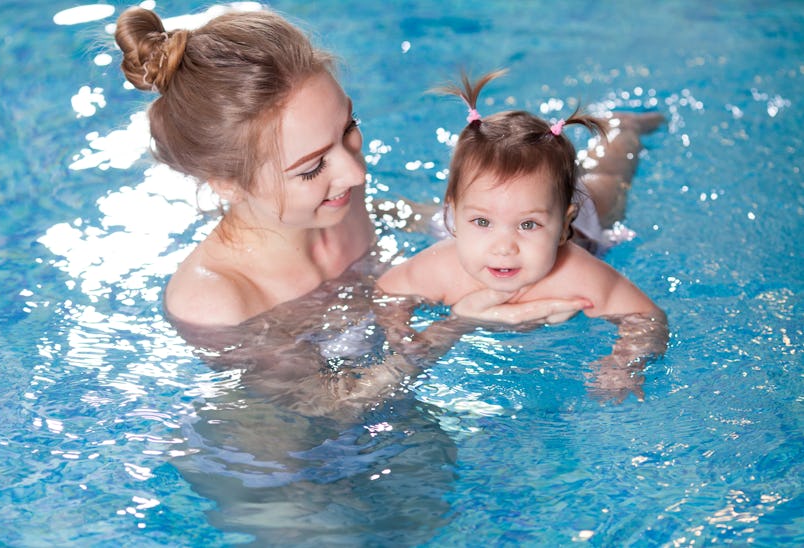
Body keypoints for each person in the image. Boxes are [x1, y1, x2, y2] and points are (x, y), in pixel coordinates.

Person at [114, 6, 585, 329]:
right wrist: (458, 324)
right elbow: (318, 418)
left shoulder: (336, 197)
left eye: (349, 128)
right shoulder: (217, 302)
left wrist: (499, 227)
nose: (355, 173)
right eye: (311, 167)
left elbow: (388, 211)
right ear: (226, 184)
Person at [377, 70, 668, 399]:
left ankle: (621, 127)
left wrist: (624, 364)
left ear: (560, 229)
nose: (504, 248)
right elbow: (387, 292)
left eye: (528, 225)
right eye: (482, 223)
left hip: (583, 215)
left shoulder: (577, 271)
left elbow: (646, 317)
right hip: (476, 211)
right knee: (447, 215)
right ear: (454, 218)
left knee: (607, 180)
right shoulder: (441, 266)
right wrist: (395, 327)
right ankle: (408, 210)